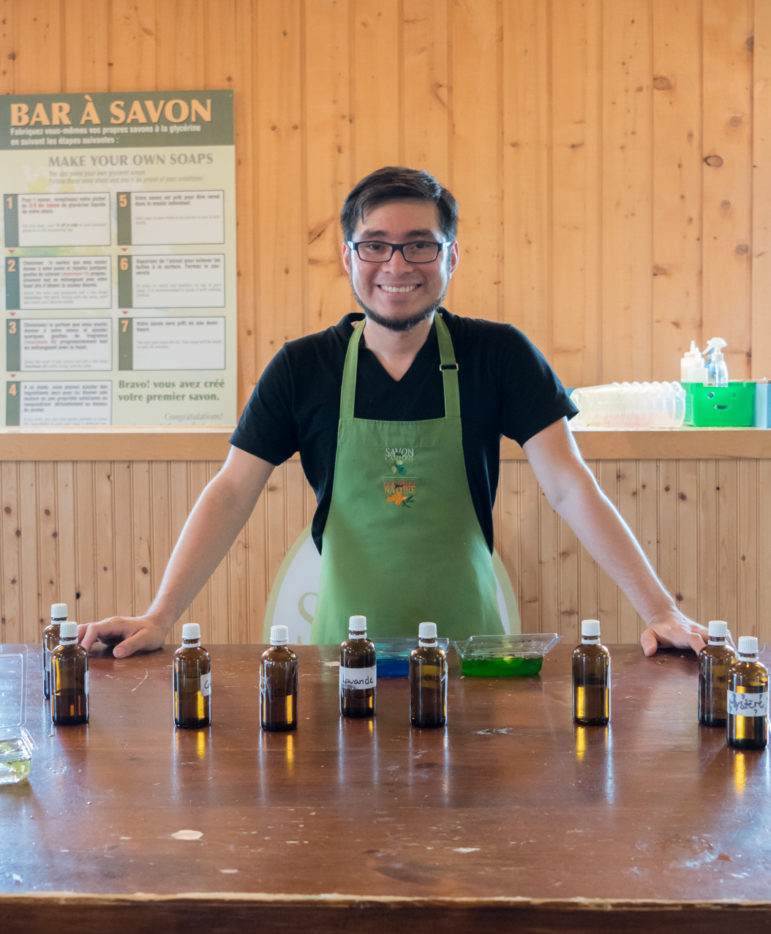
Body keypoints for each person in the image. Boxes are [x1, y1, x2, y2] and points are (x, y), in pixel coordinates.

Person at [81, 166, 707, 658]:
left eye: (419, 247)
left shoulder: (499, 355)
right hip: (340, 662)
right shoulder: (304, 367)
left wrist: (659, 612)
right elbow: (231, 491)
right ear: (348, 258)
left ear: (451, 257)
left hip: (471, 657)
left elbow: (570, 486)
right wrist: (160, 616)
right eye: (375, 246)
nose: (397, 267)